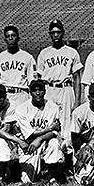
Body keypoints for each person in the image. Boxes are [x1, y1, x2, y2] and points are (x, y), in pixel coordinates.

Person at [37, 19, 83, 174]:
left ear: (63, 33)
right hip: (50, 89)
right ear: (50, 34)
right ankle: (49, 164)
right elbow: (41, 79)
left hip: (66, 89)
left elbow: (77, 78)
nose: (56, 35)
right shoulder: (44, 53)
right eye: (53, 32)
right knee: (50, 123)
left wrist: (77, 100)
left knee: (68, 125)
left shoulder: (71, 52)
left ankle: (69, 164)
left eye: (58, 32)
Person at [4, 79, 63, 186]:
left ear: (45, 91)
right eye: (34, 90)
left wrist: (41, 138)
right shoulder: (22, 109)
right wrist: (48, 129)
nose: (38, 93)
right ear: (30, 92)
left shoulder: (53, 107)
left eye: (40, 90)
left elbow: (55, 132)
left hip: (44, 141)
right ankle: (15, 167)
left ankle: (51, 178)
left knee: (54, 143)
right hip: (28, 144)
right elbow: (30, 134)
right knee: (29, 180)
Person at [0, 25, 37, 109]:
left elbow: (32, 81)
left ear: (18, 38)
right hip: (5, 95)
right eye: (8, 36)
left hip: (21, 94)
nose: (10, 38)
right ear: (5, 40)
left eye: (13, 36)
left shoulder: (27, 57)